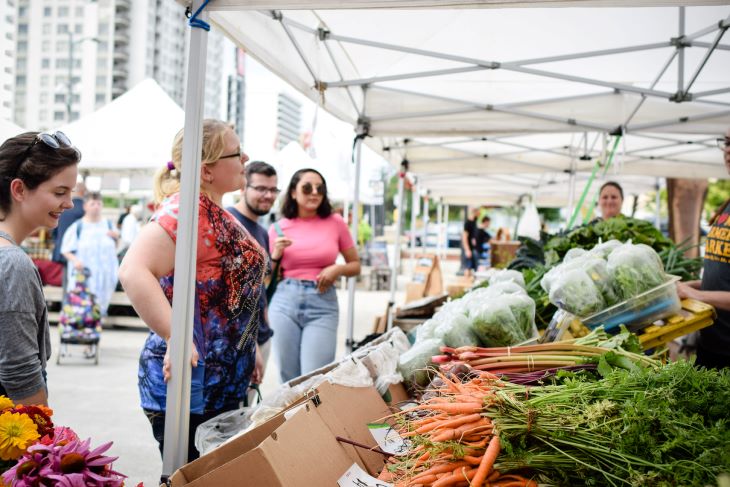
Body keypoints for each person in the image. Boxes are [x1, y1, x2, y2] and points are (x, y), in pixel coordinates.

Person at [118, 119, 267, 464]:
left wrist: (250, 344)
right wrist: (176, 336)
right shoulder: (184, 212)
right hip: (192, 386)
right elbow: (133, 270)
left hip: (219, 384)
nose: (245, 157)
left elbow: (229, 291)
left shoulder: (212, 211)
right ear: (207, 170)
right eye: (236, 152)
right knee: (187, 476)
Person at [0, 131, 81, 404]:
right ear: (19, 189)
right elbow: (19, 372)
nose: (69, 203)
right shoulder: (12, 264)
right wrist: (44, 441)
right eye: (60, 192)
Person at [268, 168, 361, 383]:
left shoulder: (335, 222)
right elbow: (266, 277)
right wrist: (275, 255)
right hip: (284, 302)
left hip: (322, 303)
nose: (314, 193)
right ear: (293, 192)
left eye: (320, 188)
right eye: (307, 188)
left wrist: (336, 269)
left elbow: (355, 265)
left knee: (315, 378)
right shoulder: (278, 228)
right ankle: (294, 418)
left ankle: (315, 416)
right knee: (288, 379)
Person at [676, 128, 730, 369]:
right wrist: (687, 286)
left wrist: (695, 295)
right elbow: (722, 277)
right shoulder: (726, 207)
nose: (728, 149)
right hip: (711, 340)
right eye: (726, 142)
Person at [226, 160, 278, 404]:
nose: (268, 195)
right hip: (241, 340)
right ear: (242, 187)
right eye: (261, 188)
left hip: (261, 336)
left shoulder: (262, 231)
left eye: (273, 190)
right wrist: (250, 342)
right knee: (234, 414)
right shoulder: (229, 224)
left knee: (247, 410)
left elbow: (258, 284)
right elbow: (230, 293)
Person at [61, 192, 120, 317]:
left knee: (101, 305)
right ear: (85, 206)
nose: (96, 206)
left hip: (105, 276)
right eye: (92, 203)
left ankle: (96, 324)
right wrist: (75, 261)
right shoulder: (78, 227)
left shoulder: (109, 225)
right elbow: (65, 249)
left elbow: (117, 247)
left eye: (99, 203)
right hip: (84, 276)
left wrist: (117, 238)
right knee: (84, 306)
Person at [51, 180, 85, 290]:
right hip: (79, 253)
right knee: (78, 286)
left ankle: (66, 305)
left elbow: (54, 231)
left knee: (67, 284)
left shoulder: (61, 208)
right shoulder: (85, 210)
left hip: (62, 249)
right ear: (83, 192)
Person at [461, 207, 480, 277]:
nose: (479, 214)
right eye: (478, 212)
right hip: (468, 248)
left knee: (472, 267)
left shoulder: (474, 221)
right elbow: (464, 237)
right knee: (467, 267)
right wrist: (467, 249)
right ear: (475, 212)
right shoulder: (468, 223)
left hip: (472, 248)